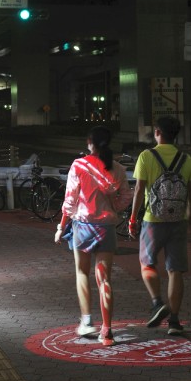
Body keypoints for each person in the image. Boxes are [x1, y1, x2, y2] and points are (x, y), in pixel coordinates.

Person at [54, 126, 132, 346]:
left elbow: (70, 200)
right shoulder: (117, 168)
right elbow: (127, 195)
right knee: (104, 279)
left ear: (90, 142)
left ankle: (86, 321)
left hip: (83, 226)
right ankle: (106, 331)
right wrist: (114, 207)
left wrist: (61, 226)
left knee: (82, 272)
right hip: (106, 227)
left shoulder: (79, 165)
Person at [128, 115, 191, 335]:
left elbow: (139, 189)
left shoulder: (146, 156)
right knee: (175, 270)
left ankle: (158, 303)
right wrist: (190, 216)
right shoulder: (186, 159)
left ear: (157, 132)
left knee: (147, 264)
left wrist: (132, 218)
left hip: (153, 220)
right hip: (178, 220)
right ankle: (175, 322)